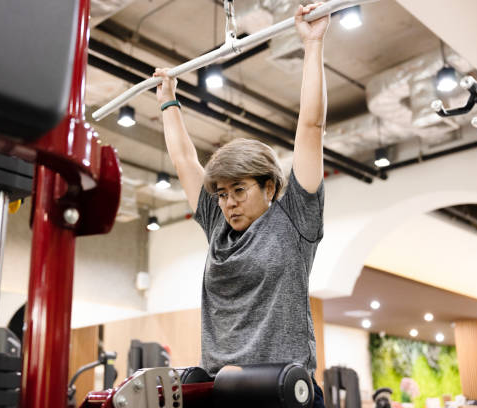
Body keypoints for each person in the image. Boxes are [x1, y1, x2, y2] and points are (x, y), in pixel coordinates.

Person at [153, 2, 330, 407]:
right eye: (222, 193)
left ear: (269, 187)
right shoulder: (218, 225)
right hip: (221, 391)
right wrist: (168, 101)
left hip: (284, 391)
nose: (228, 203)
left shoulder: (294, 221)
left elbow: (311, 126)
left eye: (239, 191)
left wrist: (313, 45)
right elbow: (184, 160)